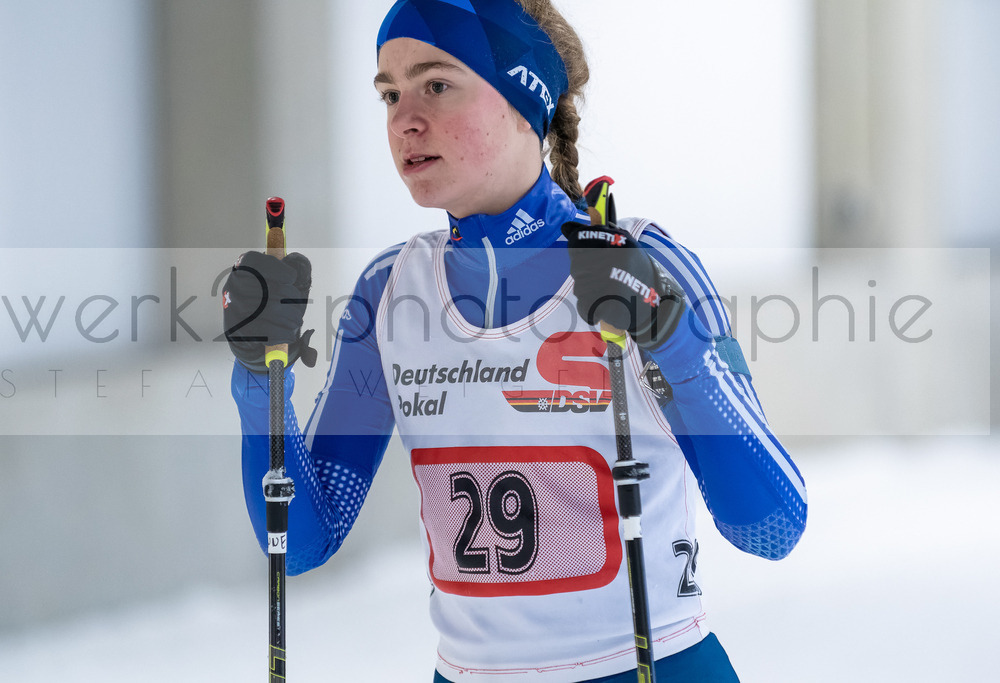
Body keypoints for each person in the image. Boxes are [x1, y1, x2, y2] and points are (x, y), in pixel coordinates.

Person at [222, 1, 808, 681]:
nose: (405, 119)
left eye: (437, 84)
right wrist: (258, 380)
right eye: (390, 94)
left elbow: (772, 525)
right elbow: (302, 542)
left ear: (523, 100)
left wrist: (671, 336)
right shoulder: (391, 290)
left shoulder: (639, 263)